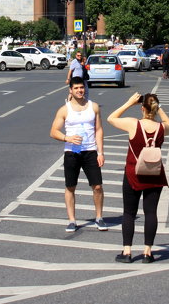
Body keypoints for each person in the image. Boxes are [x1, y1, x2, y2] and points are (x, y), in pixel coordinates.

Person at [107, 92, 169, 263]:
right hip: (154, 173)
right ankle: (147, 252)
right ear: (154, 108)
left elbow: (111, 118)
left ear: (142, 108)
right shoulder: (161, 128)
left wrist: (129, 102)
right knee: (151, 212)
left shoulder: (133, 124)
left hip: (133, 173)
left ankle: (127, 252)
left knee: (129, 213)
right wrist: (159, 108)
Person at [49, 76, 106, 233]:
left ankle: (99, 218)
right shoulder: (64, 110)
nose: (80, 90)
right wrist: (67, 138)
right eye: (76, 88)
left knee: (98, 186)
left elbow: (99, 130)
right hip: (72, 152)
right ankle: (72, 220)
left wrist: (100, 152)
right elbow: (53, 131)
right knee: (70, 186)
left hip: (90, 151)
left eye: (82, 88)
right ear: (71, 90)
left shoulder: (93, 107)